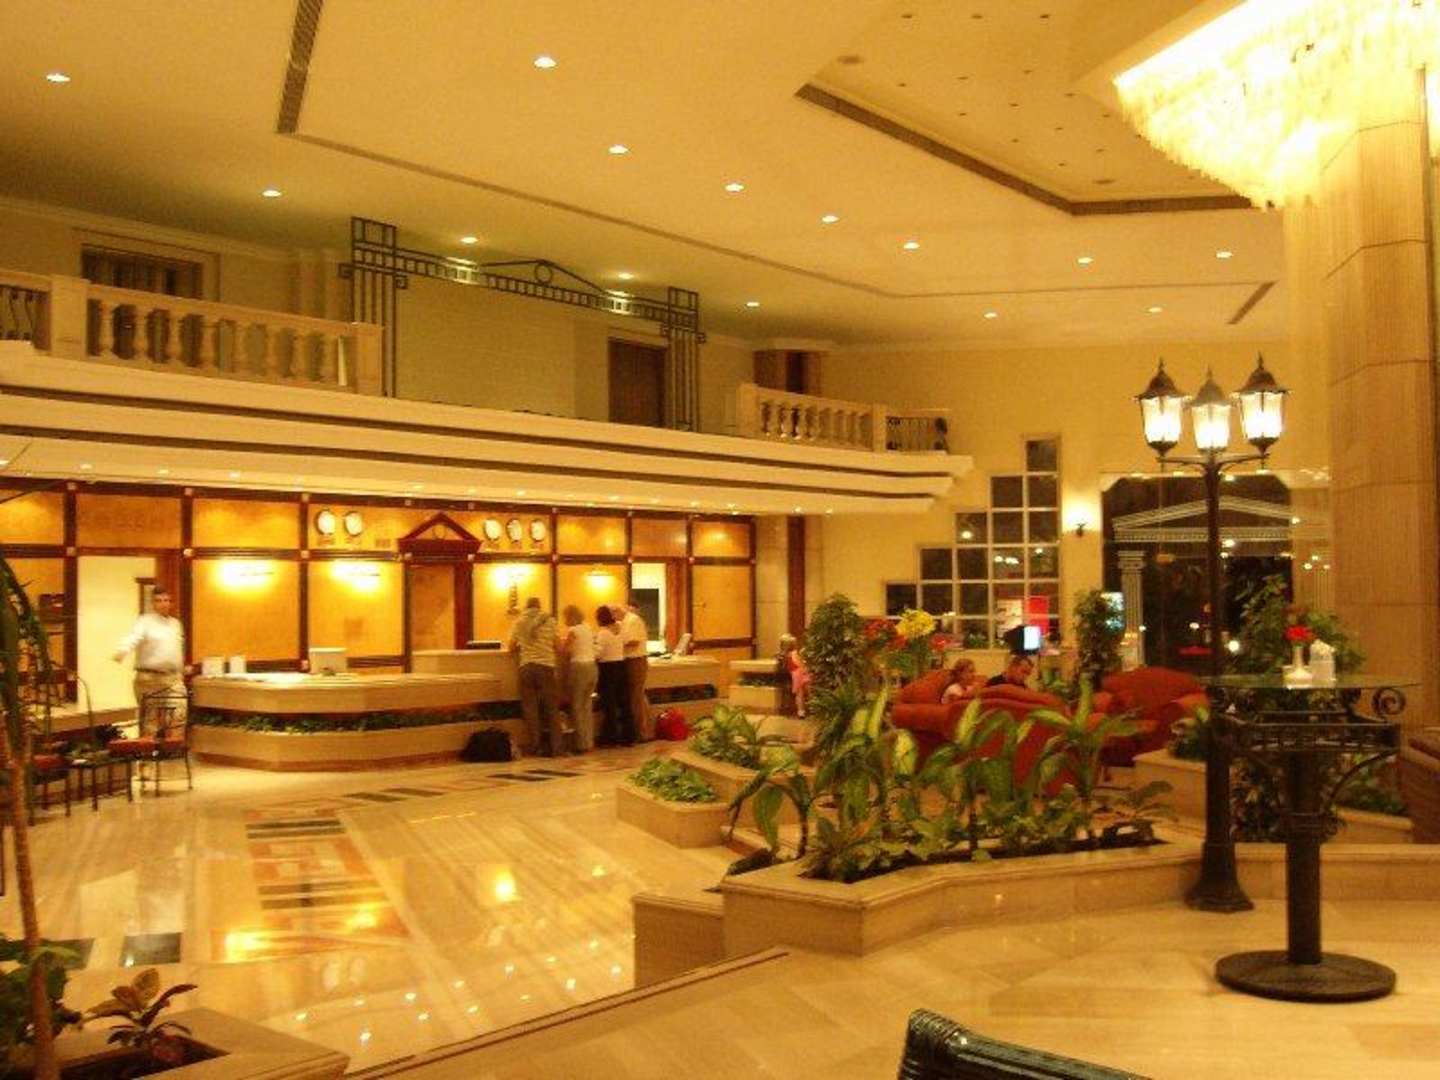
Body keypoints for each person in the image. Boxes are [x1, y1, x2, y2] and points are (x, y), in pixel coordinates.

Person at [113, 585, 186, 734]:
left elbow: (177, 648)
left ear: (171, 603)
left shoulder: (175, 624)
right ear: (153, 603)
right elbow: (134, 637)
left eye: (166, 600)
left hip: (173, 679)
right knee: (151, 722)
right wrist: (122, 651)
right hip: (150, 679)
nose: (163, 604)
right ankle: (150, 748)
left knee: (178, 717)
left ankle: (174, 747)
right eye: (159, 600)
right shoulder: (145, 621)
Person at [509, 597, 561, 757]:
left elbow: (511, 647)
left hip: (526, 667)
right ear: (539, 606)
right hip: (546, 667)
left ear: (526, 607)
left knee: (530, 709)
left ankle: (535, 746)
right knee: (551, 708)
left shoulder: (519, 622)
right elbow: (558, 645)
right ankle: (556, 747)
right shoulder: (550, 621)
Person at [560, 604, 598, 753]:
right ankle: (589, 742)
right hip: (592, 668)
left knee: (576, 706)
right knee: (587, 706)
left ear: (570, 617)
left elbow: (563, 650)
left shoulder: (573, 630)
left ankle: (581, 744)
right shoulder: (588, 628)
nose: (564, 620)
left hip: (579, 668)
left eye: (565, 617)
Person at [595, 605, 633, 746]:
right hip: (621, 666)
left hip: (607, 669)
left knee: (609, 704)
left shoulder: (603, 633)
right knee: (624, 703)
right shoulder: (620, 627)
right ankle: (629, 736)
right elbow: (626, 642)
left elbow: (598, 653)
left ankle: (611, 737)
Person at [620, 602, 651, 740]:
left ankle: (641, 732)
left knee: (636, 697)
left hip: (636, 661)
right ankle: (641, 731)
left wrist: (616, 645)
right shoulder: (625, 621)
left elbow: (634, 642)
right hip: (632, 660)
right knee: (637, 697)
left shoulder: (632, 620)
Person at [779, 633, 811, 717]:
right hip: (800, 673)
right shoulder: (794, 653)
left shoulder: (784, 655)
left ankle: (801, 711)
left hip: (794, 674)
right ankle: (812, 707)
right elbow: (798, 663)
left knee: (799, 693)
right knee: (807, 690)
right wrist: (805, 668)